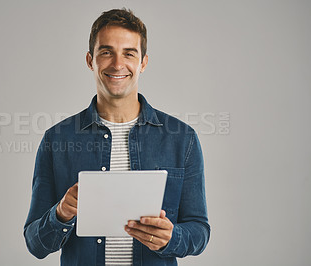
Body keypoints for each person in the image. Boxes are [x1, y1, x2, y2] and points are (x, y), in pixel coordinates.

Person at [24, 8, 210, 266]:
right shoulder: (56, 140)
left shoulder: (182, 138)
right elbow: (35, 244)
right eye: (106, 51)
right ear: (91, 60)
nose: (117, 64)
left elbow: (200, 231)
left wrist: (172, 237)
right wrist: (61, 213)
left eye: (129, 53)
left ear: (143, 62)